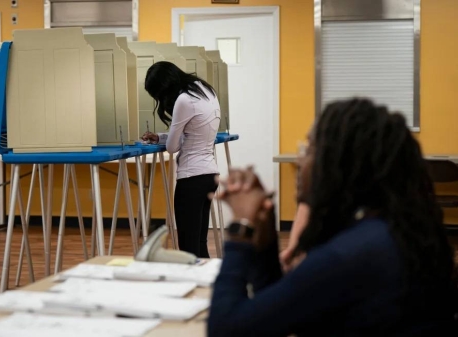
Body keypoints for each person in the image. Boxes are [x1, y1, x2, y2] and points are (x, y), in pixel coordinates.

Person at [208, 98, 458, 336]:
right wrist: (264, 243)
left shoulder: (352, 254)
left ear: (342, 164)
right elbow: (281, 314)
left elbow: (226, 331)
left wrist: (241, 231)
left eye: (311, 148)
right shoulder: (384, 232)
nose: (300, 159)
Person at [141, 61, 220, 258]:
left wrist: (165, 139)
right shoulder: (205, 90)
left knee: (187, 247)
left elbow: (173, 147)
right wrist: (159, 136)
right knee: (199, 243)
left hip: (191, 179)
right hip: (210, 175)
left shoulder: (184, 100)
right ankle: (207, 285)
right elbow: (190, 134)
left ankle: (195, 285)